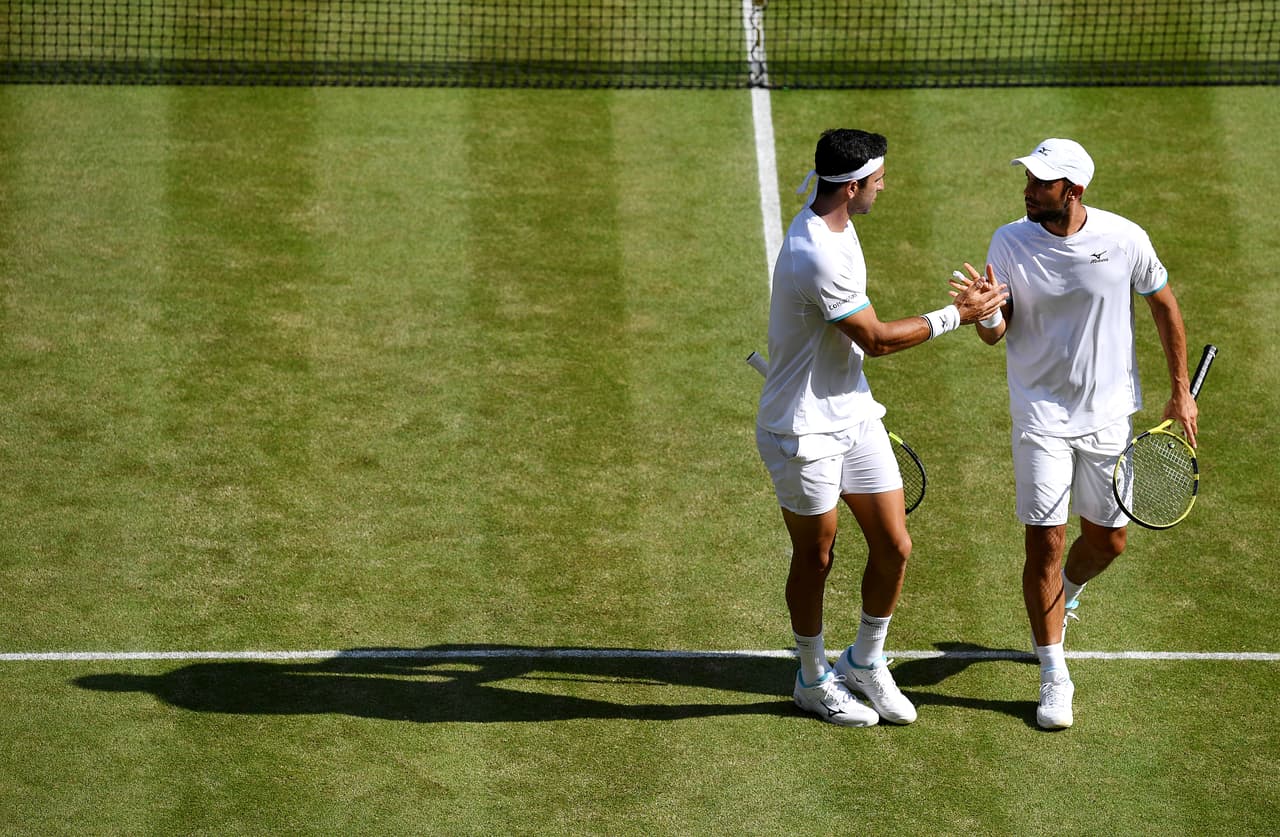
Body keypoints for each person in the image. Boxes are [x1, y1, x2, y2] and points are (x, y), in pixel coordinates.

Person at [756, 128, 1007, 727]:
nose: (884, 187)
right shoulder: (815, 250)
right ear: (851, 186)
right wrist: (959, 314)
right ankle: (813, 678)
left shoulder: (839, 224)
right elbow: (876, 339)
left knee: (894, 546)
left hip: (854, 412)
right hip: (803, 430)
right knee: (816, 556)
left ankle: (865, 660)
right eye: (878, 180)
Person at [967, 138, 1197, 730]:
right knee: (1043, 542)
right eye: (1028, 178)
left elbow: (1165, 306)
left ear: (1073, 192)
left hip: (1108, 416)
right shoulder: (1009, 239)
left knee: (1108, 543)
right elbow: (998, 332)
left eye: (1041, 182)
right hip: (1039, 416)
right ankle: (1053, 673)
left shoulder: (1125, 239)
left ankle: (1065, 592)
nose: (1027, 188)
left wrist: (1181, 390)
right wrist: (984, 312)